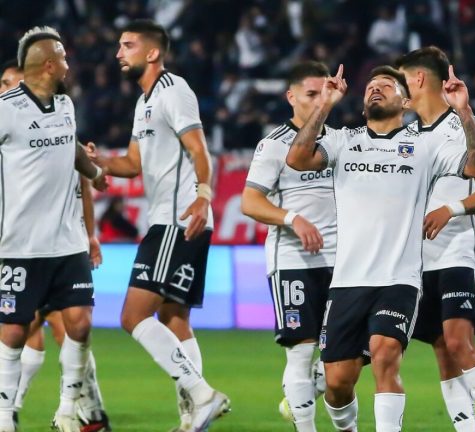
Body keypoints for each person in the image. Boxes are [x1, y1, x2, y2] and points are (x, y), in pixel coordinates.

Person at [286, 64, 475, 431]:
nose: (376, 89)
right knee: (337, 382)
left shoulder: (424, 146)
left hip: (399, 280)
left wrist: (464, 110)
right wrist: (326, 105)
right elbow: (298, 159)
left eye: (386, 85)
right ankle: (346, 426)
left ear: (406, 101)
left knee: (385, 356)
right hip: (348, 280)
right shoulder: (342, 140)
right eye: (370, 87)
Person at [87, 19, 229, 431]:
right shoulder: (144, 101)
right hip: (178, 221)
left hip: (175, 221)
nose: (119, 53)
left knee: (132, 317)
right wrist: (100, 161)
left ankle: (202, 395)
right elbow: (133, 163)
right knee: (174, 318)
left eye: (127, 45)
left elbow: (199, 148)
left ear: (152, 53)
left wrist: (203, 195)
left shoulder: (174, 91)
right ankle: (193, 419)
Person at [394, 47, 475, 432]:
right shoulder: (404, 136)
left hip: (457, 254)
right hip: (416, 263)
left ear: (420, 80)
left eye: (402, 80)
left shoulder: (471, 126)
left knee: (460, 344)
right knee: (443, 353)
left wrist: (450, 210)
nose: (399, 88)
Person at [0, 26, 108, 432]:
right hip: (21, 244)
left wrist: (94, 171)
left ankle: (67, 410)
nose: (68, 62)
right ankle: (5, 415)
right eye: (63, 56)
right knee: (13, 331)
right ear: (48, 64)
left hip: (67, 241)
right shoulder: (6, 109)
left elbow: (71, 145)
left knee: (80, 323)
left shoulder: (65, 105)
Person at [241, 61, 335, 431]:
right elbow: (250, 202)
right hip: (294, 260)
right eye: (311, 94)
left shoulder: (340, 140)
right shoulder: (275, 145)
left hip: (345, 261)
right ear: (291, 97)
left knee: (351, 356)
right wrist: (292, 218)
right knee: (301, 351)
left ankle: (305, 389)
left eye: (324, 94)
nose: (318, 101)